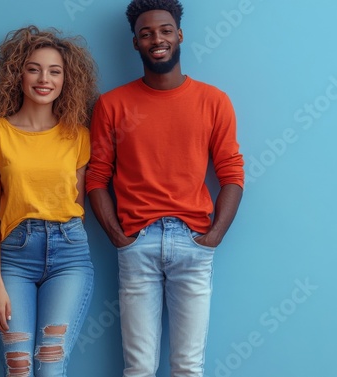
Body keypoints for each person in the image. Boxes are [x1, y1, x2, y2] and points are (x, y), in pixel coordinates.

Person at [85, 1, 244, 376]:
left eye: (165, 30)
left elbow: (232, 173)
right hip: (136, 243)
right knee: (138, 367)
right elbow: (96, 177)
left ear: (179, 35)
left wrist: (215, 234)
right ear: (135, 43)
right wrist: (118, 236)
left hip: (193, 242)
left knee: (188, 367)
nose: (157, 38)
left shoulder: (213, 101)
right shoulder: (111, 105)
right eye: (146, 33)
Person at [0, 25, 97, 377]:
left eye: (55, 71)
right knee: (19, 369)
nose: (44, 79)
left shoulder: (78, 136)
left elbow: (78, 204)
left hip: (69, 255)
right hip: (14, 258)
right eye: (34, 68)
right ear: (18, 74)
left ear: (66, 80)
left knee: (50, 365)